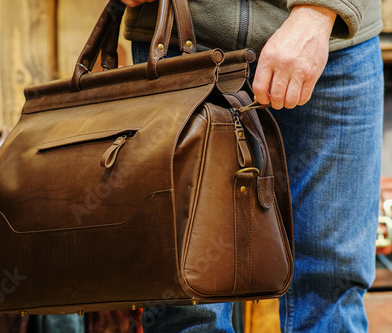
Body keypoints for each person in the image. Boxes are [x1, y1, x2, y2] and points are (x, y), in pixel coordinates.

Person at [121, 0, 385, 332]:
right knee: (186, 301)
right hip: (180, 36)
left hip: (333, 41)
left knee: (330, 286)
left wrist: (319, 13)